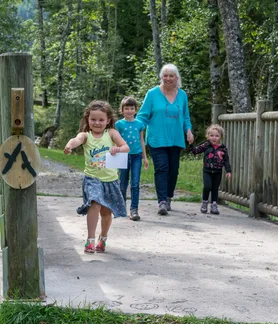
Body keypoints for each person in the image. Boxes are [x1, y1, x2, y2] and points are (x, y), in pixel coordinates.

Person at [64, 100, 129, 253]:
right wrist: (69, 145)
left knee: (106, 212)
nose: (97, 123)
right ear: (88, 119)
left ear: (108, 120)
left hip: (110, 180)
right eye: (93, 119)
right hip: (92, 179)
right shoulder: (86, 135)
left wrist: (117, 149)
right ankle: (90, 240)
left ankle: (103, 238)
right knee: (94, 203)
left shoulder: (112, 133)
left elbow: (126, 147)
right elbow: (76, 140)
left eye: (101, 120)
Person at [136, 63, 194, 215]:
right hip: (157, 138)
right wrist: (135, 128)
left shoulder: (182, 95)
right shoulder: (152, 94)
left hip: (175, 138)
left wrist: (188, 130)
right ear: (161, 77)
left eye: (171, 76)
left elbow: (186, 116)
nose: (168, 78)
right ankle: (162, 201)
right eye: (165, 75)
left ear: (176, 78)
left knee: (173, 170)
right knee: (162, 168)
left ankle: (168, 197)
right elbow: (143, 116)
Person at [115, 96, 149, 221]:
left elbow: (141, 141)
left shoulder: (139, 124)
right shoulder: (118, 124)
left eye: (132, 108)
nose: (129, 111)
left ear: (135, 110)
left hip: (136, 156)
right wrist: (115, 157)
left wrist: (145, 158)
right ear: (122, 110)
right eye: (126, 108)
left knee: (135, 183)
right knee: (123, 183)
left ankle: (134, 209)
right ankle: (121, 207)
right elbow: (115, 141)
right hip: (123, 155)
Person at [190, 124, 232, 215]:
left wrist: (228, 171)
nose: (214, 138)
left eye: (217, 136)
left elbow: (226, 161)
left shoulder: (223, 148)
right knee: (207, 186)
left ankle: (214, 204)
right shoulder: (206, 145)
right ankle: (205, 202)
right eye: (211, 135)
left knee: (215, 189)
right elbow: (196, 151)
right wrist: (191, 144)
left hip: (218, 172)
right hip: (207, 171)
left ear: (221, 137)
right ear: (208, 136)